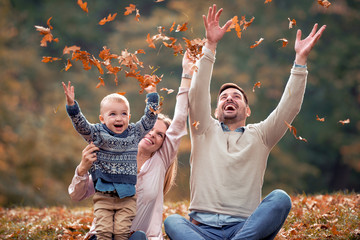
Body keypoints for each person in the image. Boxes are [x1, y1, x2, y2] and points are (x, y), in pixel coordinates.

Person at [164, 4, 326, 240]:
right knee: (172, 221)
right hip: (200, 229)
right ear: (216, 108)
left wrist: (300, 61)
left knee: (280, 198)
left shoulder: (261, 135)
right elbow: (197, 93)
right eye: (223, 97)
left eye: (236, 96)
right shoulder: (203, 130)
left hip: (244, 229)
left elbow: (289, 108)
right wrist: (210, 46)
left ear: (248, 110)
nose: (229, 98)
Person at [68, 51, 193, 240]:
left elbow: (180, 118)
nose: (153, 134)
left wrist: (186, 75)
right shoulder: (108, 152)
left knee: (138, 237)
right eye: (152, 130)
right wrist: (83, 169)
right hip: (103, 236)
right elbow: (76, 196)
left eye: (160, 135)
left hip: (139, 238)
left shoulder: (160, 161)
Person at [62, 81, 159, 240]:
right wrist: (72, 106)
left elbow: (149, 120)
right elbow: (81, 125)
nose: (118, 118)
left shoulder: (134, 133)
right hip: (103, 197)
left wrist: (152, 96)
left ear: (129, 117)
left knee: (121, 233)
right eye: (112, 114)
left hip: (127, 198)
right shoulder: (97, 133)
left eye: (123, 114)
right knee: (104, 233)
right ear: (102, 118)